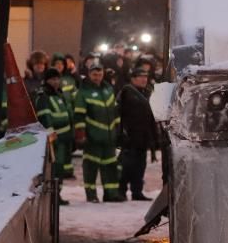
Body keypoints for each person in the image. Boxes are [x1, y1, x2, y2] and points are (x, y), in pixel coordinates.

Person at [73, 60, 122, 203]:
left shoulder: (108, 89)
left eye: (99, 74)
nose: (97, 77)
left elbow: (115, 112)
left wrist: (118, 131)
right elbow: (79, 115)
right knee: (91, 167)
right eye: (94, 74)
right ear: (89, 74)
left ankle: (111, 194)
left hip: (109, 138)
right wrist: (81, 135)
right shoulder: (83, 92)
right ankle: (91, 194)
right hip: (92, 137)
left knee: (110, 166)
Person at [33, 69, 73, 205]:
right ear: (47, 81)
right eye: (53, 79)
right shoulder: (43, 96)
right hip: (54, 140)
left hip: (64, 139)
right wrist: (51, 137)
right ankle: (52, 197)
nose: (56, 82)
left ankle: (57, 195)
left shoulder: (59, 94)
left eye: (57, 79)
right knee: (54, 169)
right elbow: (45, 117)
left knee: (60, 168)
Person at [118, 67, 158, 201]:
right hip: (130, 137)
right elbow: (120, 114)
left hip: (143, 137)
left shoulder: (146, 93)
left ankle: (137, 191)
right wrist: (122, 132)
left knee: (140, 166)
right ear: (133, 79)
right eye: (140, 77)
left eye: (145, 77)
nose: (144, 79)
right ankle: (121, 191)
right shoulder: (127, 92)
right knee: (127, 165)